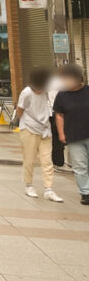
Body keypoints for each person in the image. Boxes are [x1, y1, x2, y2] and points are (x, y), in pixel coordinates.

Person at [16, 67, 63, 202]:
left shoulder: (46, 91)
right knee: (29, 159)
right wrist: (25, 122)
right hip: (29, 129)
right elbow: (20, 110)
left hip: (45, 129)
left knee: (47, 160)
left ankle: (49, 189)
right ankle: (29, 185)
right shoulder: (27, 93)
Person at [53, 64, 89, 205]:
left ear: (77, 78)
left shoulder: (87, 91)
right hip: (73, 136)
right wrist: (61, 133)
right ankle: (85, 193)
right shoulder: (62, 96)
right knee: (80, 166)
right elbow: (59, 115)